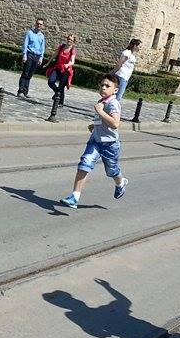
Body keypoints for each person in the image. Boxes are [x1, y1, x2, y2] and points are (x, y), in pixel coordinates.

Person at [60, 73, 128, 208]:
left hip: (110, 144)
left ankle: (120, 182)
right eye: (102, 85)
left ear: (115, 90)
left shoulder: (113, 104)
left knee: (111, 170)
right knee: (85, 163)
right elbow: (102, 120)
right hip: (95, 141)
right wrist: (95, 125)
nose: (103, 87)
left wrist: (100, 112)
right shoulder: (101, 102)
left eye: (107, 86)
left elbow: (115, 124)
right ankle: (75, 197)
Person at [17, 18, 46, 99]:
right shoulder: (29, 33)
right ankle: (20, 91)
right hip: (29, 54)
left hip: (37, 56)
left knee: (30, 74)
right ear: (35, 24)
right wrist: (24, 55)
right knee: (25, 73)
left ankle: (25, 91)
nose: (39, 25)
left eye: (40, 24)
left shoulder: (42, 36)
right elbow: (25, 44)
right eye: (38, 23)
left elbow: (42, 48)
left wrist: (41, 57)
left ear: (42, 26)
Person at [47, 34, 77, 106]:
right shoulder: (61, 47)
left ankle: (60, 103)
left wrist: (67, 64)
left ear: (73, 42)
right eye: (68, 39)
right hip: (58, 67)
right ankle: (57, 93)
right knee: (50, 81)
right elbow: (55, 55)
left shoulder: (73, 50)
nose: (69, 40)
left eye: (71, 40)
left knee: (61, 86)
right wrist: (48, 62)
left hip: (66, 70)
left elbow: (72, 61)